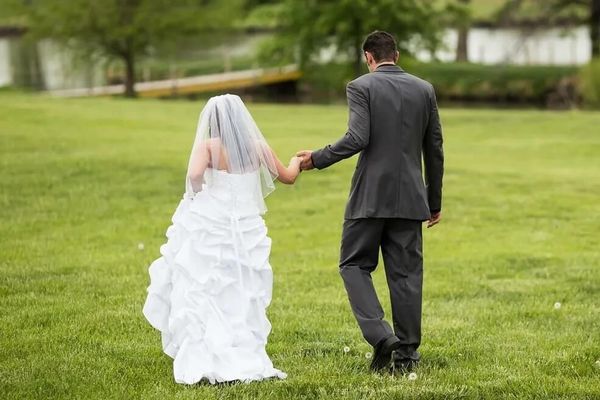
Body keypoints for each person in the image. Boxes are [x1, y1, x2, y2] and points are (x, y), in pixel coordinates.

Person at [297, 31, 444, 373]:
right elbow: (434, 148)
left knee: (353, 264)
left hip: (369, 197)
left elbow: (357, 138)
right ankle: (406, 357)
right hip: (411, 199)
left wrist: (316, 158)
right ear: (398, 53)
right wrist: (433, 200)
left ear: (368, 57)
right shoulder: (424, 89)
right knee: (406, 275)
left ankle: (380, 335)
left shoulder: (361, 87)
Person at [142, 94, 301, 384]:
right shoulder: (257, 147)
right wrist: (296, 161)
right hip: (246, 227)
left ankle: (206, 354)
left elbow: (193, 175)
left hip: (212, 224)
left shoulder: (209, 146)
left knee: (206, 288)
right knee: (241, 291)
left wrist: (198, 194)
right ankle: (243, 352)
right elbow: (288, 177)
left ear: (211, 122)